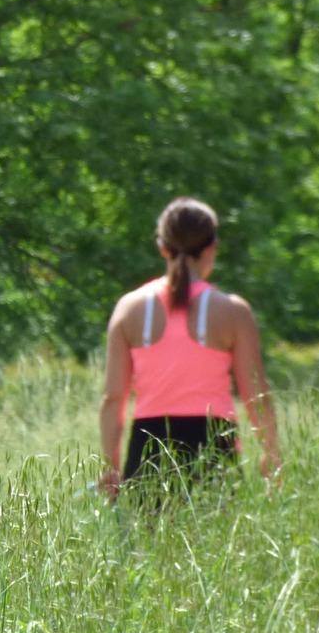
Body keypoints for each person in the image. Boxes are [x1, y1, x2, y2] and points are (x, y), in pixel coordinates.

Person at [98, 197, 282, 500]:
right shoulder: (233, 312)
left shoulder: (128, 309)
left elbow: (113, 398)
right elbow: (255, 392)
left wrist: (110, 466)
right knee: (214, 544)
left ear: (162, 247)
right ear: (212, 247)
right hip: (213, 446)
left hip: (149, 449)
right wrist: (271, 451)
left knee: (149, 546)